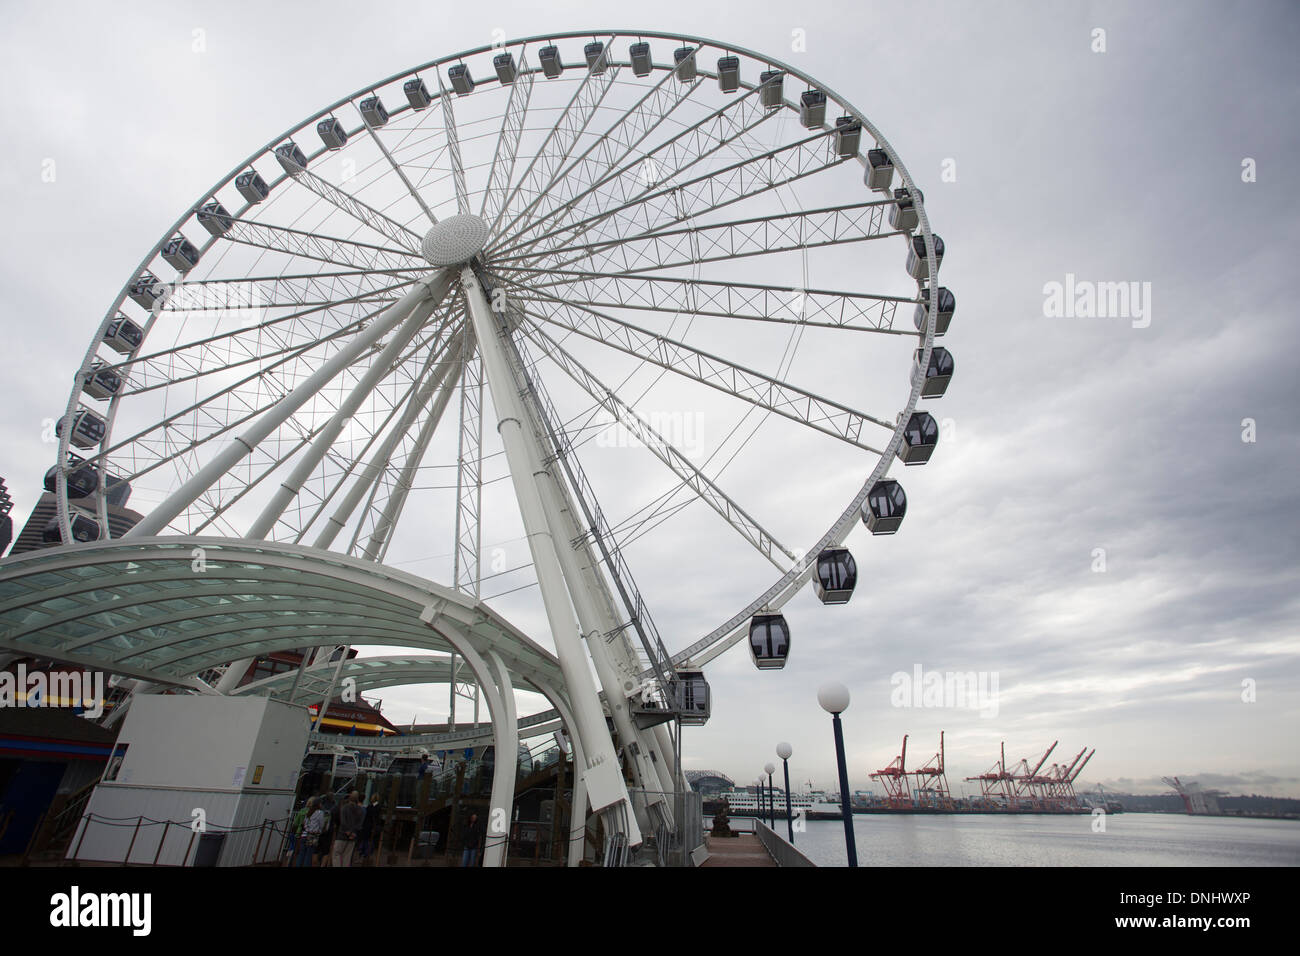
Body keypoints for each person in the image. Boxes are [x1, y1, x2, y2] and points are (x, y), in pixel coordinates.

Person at [333, 791, 364, 867]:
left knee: (336, 854)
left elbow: (343, 821)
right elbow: (359, 824)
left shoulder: (345, 807)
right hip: (353, 836)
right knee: (347, 857)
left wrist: (348, 831)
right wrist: (353, 833)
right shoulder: (360, 810)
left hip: (342, 834)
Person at [295, 798, 323, 867]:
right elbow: (321, 825)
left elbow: (304, 824)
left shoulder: (309, 812)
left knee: (301, 854)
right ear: (319, 804)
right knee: (309, 855)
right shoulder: (320, 813)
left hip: (304, 834)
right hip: (312, 835)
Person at [358, 794, 381, 865]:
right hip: (368, 827)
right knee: (366, 841)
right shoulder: (372, 806)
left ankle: (365, 856)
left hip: (370, 827)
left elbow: (373, 817)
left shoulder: (374, 807)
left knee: (368, 842)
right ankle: (364, 856)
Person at [316, 792, 336, 866]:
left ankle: (316, 863)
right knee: (326, 850)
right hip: (328, 831)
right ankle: (322, 864)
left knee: (317, 849)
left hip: (319, 830)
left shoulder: (322, 806)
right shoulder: (334, 807)